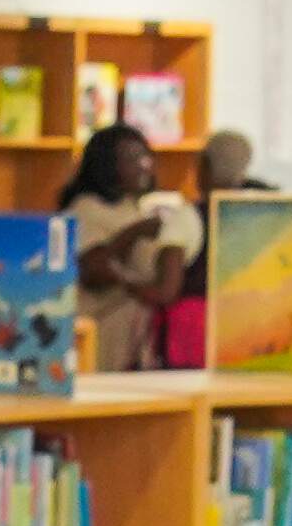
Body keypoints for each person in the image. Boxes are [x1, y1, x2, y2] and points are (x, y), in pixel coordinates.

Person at [55, 117, 199, 362]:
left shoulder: (133, 207)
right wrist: (135, 233)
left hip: (138, 340)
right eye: (132, 158)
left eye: (146, 157)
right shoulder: (86, 210)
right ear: (106, 165)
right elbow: (93, 270)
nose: (144, 166)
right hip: (103, 337)